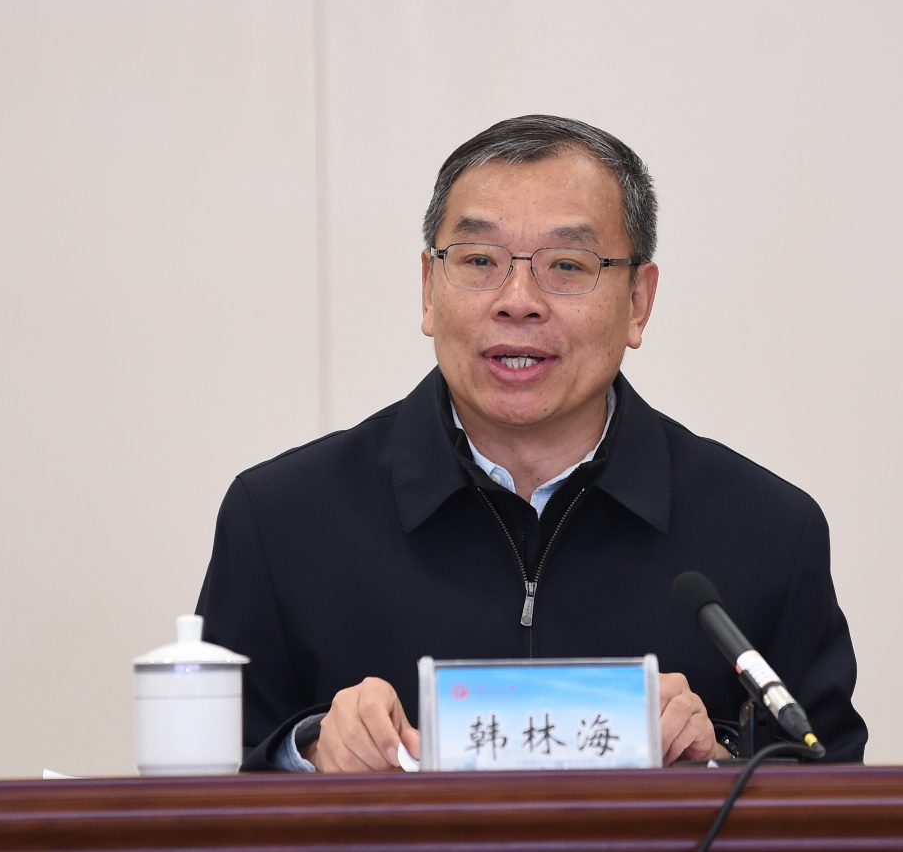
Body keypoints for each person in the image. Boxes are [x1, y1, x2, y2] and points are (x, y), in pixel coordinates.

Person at [196, 115, 868, 772]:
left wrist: (717, 765)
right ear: (428, 289)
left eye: (566, 265)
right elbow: (198, 794)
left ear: (638, 301)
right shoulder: (283, 520)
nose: (518, 300)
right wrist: (308, 754)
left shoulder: (768, 533)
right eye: (479, 261)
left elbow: (835, 797)